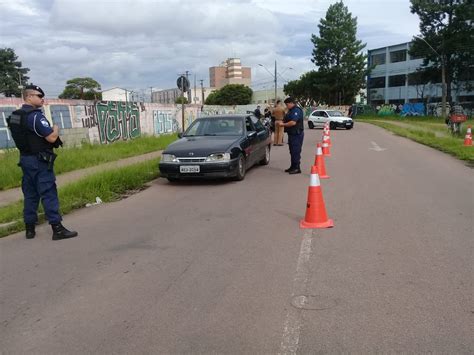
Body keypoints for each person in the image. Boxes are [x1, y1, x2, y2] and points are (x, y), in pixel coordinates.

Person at [7, 85, 78, 240]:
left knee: (31, 194)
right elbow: (51, 138)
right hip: (39, 161)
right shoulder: (35, 116)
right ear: (29, 97)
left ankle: (30, 229)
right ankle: (57, 229)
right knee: (48, 192)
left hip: (25, 159)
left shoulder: (15, 116)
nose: (42, 99)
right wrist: (56, 128)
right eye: (39, 96)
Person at [278, 97, 304, 174]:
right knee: (292, 151)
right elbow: (287, 118)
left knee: (295, 151)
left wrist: (283, 124)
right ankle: (293, 166)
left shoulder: (296, 110)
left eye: (287, 104)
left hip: (296, 134)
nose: (286, 106)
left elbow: (293, 122)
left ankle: (297, 168)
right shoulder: (290, 111)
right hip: (292, 134)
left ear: (291, 103)